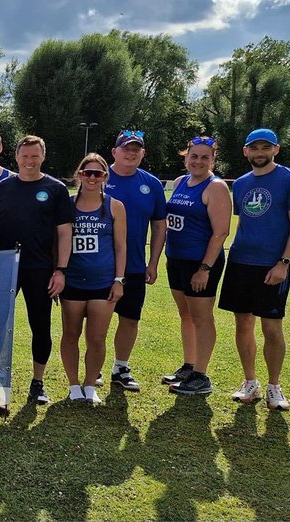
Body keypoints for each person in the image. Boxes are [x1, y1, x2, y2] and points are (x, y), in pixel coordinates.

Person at [219, 128, 290, 410]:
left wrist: (283, 263)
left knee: (272, 327)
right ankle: (250, 382)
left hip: (272, 265)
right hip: (240, 262)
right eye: (254, 148)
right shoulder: (242, 183)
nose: (259, 153)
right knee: (242, 323)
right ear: (245, 151)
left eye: (265, 148)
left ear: (276, 150)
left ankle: (274, 386)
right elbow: (244, 222)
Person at [0, 135, 74, 405]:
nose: (29, 161)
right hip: (3, 267)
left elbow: (64, 233)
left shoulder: (56, 189)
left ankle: (38, 382)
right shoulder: (2, 189)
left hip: (39, 268)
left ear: (43, 157)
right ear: (16, 157)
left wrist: (60, 270)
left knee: (40, 325)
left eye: (34, 156)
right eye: (24, 156)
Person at [163, 137, 231, 395]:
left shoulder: (216, 187)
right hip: (177, 260)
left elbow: (220, 232)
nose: (198, 161)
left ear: (213, 159)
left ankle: (201, 376)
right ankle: (189, 365)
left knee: (202, 318)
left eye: (205, 157)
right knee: (186, 315)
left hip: (201, 263)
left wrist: (204, 268)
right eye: (194, 156)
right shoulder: (181, 182)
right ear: (186, 157)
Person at [58, 154, 126, 404]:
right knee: (71, 334)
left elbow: (121, 246)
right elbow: (58, 240)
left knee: (97, 338)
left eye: (98, 174)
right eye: (87, 173)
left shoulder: (115, 206)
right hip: (73, 281)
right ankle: (73, 385)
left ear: (105, 177)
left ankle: (90, 385)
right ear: (79, 175)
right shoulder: (67, 203)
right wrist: (59, 272)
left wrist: (119, 279)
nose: (92, 178)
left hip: (103, 283)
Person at [102, 130, 166, 392]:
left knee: (130, 318)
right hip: (101, 265)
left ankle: (121, 367)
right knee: (99, 319)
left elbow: (160, 225)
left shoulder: (151, 184)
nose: (130, 153)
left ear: (143, 153)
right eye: (125, 148)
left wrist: (153, 263)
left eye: (136, 149)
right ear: (114, 152)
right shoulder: (99, 177)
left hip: (135, 266)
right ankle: (93, 368)